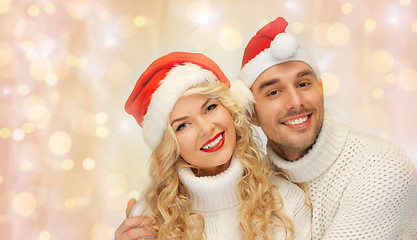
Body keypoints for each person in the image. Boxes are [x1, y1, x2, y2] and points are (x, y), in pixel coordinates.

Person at [235, 17, 417, 239]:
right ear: (250, 113)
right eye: (274, 92)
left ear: (321, 91)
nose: (295, 102)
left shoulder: (381, 168)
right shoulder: (257, 184)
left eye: (303, 84)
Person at [115, 51, 311, 240]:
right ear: (169, 145)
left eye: (210, 107)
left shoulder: (287, 202)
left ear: (231, 110)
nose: (206, 128)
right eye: (183, 125)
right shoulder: (149, 218)